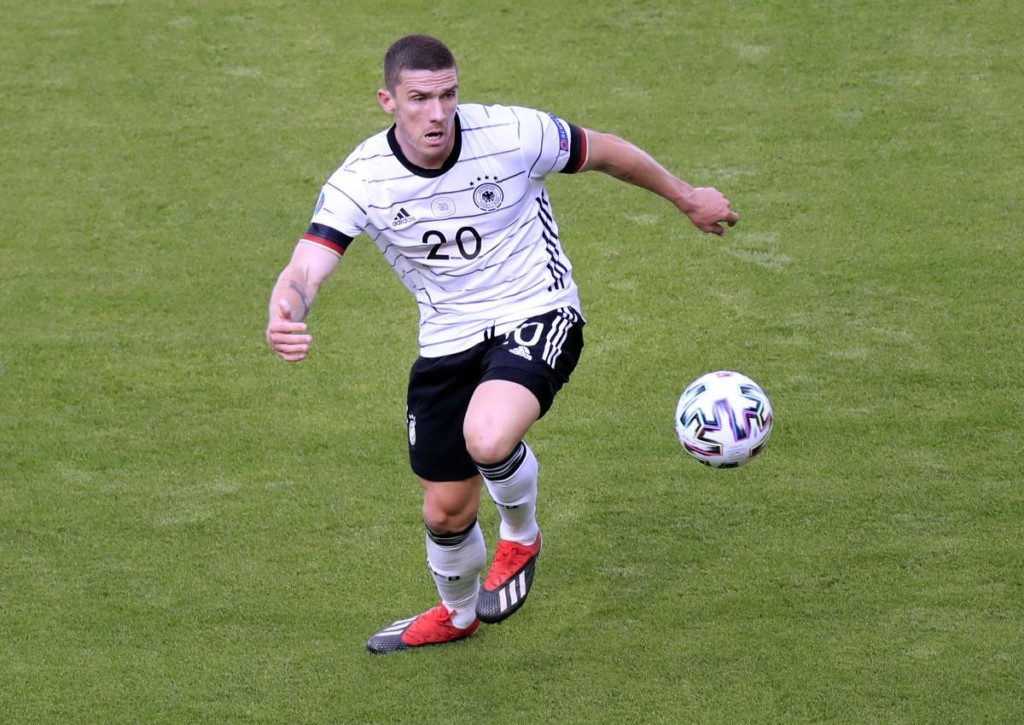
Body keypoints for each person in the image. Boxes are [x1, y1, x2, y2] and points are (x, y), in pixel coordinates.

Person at [266, 34, 739, 654]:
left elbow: (606, 151)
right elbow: (307, 266)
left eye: (448, 95)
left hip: (538, 309)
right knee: (446, 512)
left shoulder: (513, 133)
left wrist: (686, 197)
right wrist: (286, 309)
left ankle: (521, 536)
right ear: (388, 101)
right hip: (447, 339)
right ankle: (457, 614)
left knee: (488, 438)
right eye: (419, 98)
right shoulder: (362, 179)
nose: (438, 113)